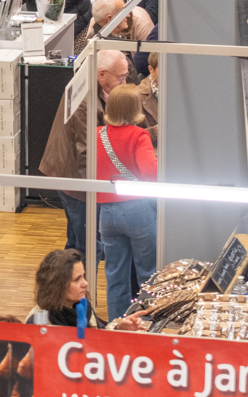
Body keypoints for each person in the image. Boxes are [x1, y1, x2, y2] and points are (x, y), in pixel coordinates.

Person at [39, 50, 132, 255]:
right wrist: (96, 192)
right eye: (120, 77)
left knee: (76, 243)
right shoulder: (86, 104)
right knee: (88, 246)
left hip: (71, 174)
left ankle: (69, 274)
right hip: (76, 179)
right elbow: (87, 155)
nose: (124, 82)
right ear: (102, 74)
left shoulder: (94, 87)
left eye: (125, 75)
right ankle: (82, 276)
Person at [95, 84, 158, 320]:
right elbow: (151, 172)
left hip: (106, 212)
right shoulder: (139, 135)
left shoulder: (98, 134)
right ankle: (147, 325)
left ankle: (117, 326)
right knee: (148, 274)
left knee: (115, 276)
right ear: (135, 108)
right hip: (138, 210)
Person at [26, 249, 145, 331]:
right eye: (77, 279)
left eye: (83, 276)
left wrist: (119, 328)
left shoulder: (83, 307)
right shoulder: (38, 321)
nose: (85, 283)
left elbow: (100, 337)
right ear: (57, 285)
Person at [86, 0, 154, 50]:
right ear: (110, 19)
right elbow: (86, 56)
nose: (128, 15)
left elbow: (149, 57)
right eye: (123, 12)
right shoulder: (95, 21)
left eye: (126, 9)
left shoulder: (141, 21)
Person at [137, 51, 159, 128]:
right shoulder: (137, 96)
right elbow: (132, 132)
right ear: (151, 69)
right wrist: (157, 131)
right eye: (164, 69)